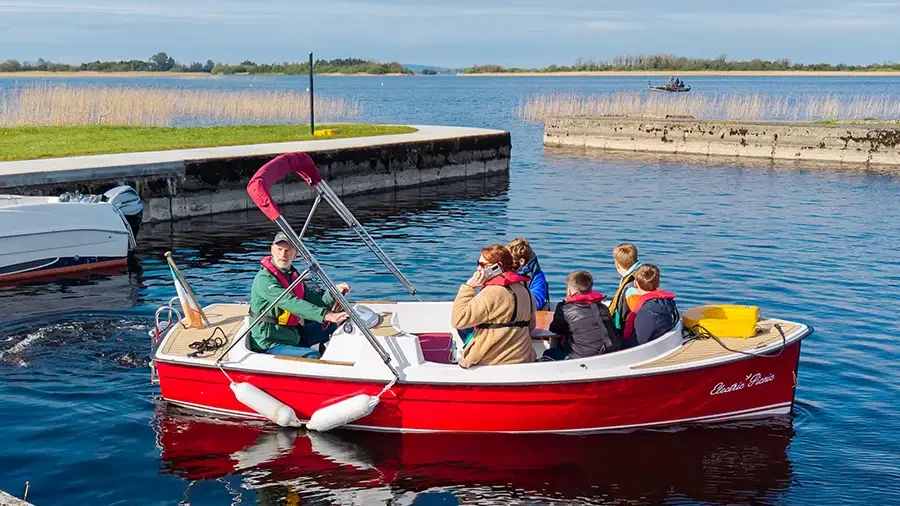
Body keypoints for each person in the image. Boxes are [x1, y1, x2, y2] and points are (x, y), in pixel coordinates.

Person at [249, 232, 351, 359]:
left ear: (295, 253)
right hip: (270, 342)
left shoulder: (292, 276)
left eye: (288, 250)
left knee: (337, 326)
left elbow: (317, 302)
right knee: (312, 355)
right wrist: (327, 315)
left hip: (292, 334)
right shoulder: (264, 279)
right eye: (279, 249)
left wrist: (333, 293)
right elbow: (289, 302)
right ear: (272, 250)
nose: (283, 254)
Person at [451, 245, 537, 368]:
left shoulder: (491, 292)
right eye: (478, 264)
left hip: (491, 361)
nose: (478, 269)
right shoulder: (526, 291)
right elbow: (531, 326)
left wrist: (468, 287)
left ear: (498, 266)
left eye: (482, 265)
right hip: (523, 359)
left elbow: (458, 320)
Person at [543, 270, 617, 361]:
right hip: (611, 353)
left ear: (569, 292)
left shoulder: (566, 310)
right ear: (591, 290)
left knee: (549, 353)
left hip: (584, 357)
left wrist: (561, 307)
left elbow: (555, 329)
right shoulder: (603, 308)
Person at [621, 264, 678, 348]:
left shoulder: (645, 311)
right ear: (658, 283)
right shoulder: (667, 302)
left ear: (635, 283)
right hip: (661, 343)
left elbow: (639, 341)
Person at [608, 242, 643, 337]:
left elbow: (637, 315)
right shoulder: (641, 274)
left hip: (628, 332)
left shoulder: (631, 289)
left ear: (617, 264)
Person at [506, 237, 550, 310]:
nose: (507, 265)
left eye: (510, 262)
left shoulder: (536, 276)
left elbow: (536, 303)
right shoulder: (506, 273)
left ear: (521, 261)